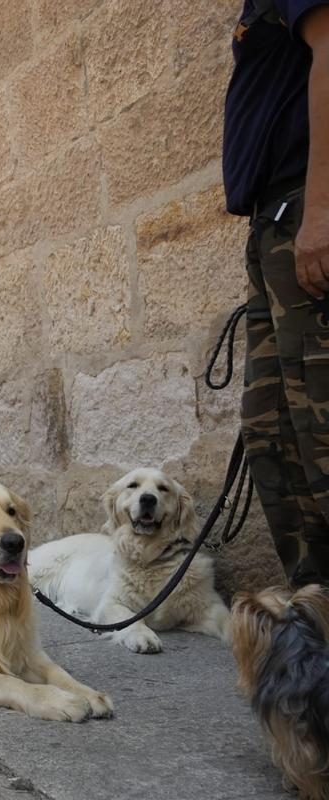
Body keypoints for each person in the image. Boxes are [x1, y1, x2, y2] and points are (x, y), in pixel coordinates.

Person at [226, 1, 329, 586]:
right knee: (271, 431)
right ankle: (316, 607)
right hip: (274, 222)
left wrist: (320, 213)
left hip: (304, 211)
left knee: (320, 424)